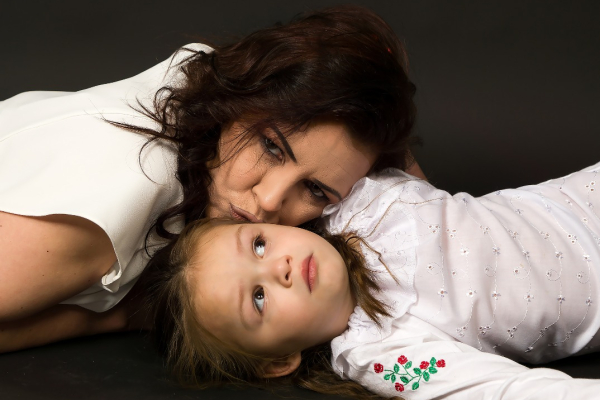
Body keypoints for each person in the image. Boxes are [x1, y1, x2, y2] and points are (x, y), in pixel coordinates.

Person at [0, 5, 423, 353]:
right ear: (236, 102)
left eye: (314, 190)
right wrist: (125, 314)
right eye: (271, 147)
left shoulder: (205, 76)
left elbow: (425, 215)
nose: (271, 201)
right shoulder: (123, 195)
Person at [148, 161, 600, 399]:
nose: (278, 267)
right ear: (278, 360)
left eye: (259, 245)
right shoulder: (381, 352)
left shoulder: (349, 201)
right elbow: (501, 391)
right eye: (259, 298)